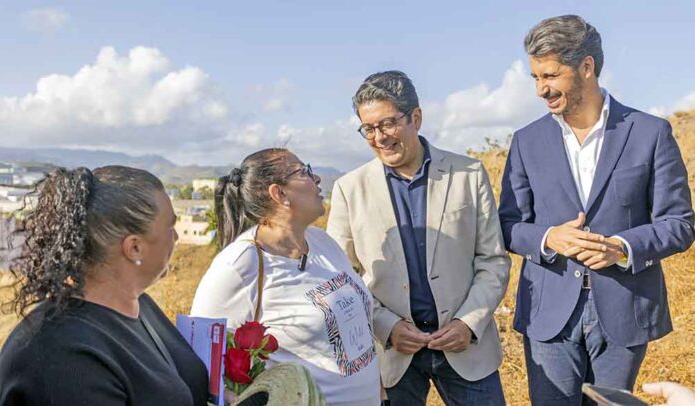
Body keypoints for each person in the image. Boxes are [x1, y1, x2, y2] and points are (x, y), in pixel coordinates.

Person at [498, 15, 694, 405]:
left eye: (550, 75)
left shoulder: (651, 132)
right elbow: (508, 224)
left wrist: (622, 247)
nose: (541, 89)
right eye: (535, 78)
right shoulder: (525, 141)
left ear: (586, 67)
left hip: (624, 311)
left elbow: (680, 223)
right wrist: (548, 236)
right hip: (547, 315)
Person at [326, 71, 510, 405]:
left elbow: (492, 260)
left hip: (465, 347)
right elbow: (342, 279)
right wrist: (386, 327)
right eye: (369, 128)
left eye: (388, 124)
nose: (380, 137)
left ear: (416, 117)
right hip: (392, 353)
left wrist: (467, 324)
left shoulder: (468, 174)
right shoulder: (348, 189)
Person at [0, 166, 209, 405]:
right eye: (171, 227)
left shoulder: (139, 305)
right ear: (134, 247)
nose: (177, 238)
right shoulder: (62, 358)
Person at [190, 149, 381, 406]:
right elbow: (200, 362)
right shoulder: (238, 265)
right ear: (279, 194)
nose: (317, 179)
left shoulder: (323, 242)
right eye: (304, 171)